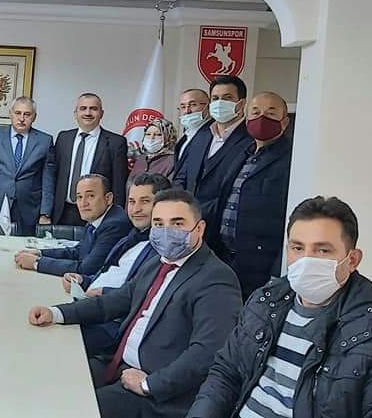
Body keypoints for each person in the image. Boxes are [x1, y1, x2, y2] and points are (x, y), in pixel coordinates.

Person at [187, 196, 372, 418]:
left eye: (322, 250)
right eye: (298, 248)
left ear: (352, 260)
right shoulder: (264, 302)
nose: (306, 260)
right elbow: (226, 374)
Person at [28, 189, 242, 418]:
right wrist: (56, 313)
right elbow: (111, 304)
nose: (166, 232)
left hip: (155, 392)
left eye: (177, 223)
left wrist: (150, 384)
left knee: (71, 410)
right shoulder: (156, 263)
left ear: (199, 229)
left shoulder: (216, 279)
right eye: (158, 224)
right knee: (48, 380)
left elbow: (207, 353)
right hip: (116, 365)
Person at [61, 173, 171, 355]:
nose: (136, 209)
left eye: (144, 201)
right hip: (90, 306)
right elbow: (109, 273)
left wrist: (103, 292)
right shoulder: (129, 238)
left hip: (110, 326)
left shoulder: (163, 249)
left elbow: (144, 296)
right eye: (132, 202)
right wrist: (83, 280)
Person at [214, 91, 294, 299]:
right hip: (224, 257)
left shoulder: (291, 160)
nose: (262, 118)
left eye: (271, 113)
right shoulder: (242, 154)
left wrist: (278, 269)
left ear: (284, 122)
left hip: (259, 266)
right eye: (256, 112)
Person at [173, 75, 253, 234]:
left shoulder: (251, 141)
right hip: (187, 227)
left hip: (223, 230)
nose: (220, 103)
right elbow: (182, 177)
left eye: (227, 98)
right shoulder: (200, 136)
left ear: (241, 103)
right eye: (215, 98)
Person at [13, 174, 130, 276]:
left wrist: (36, 263)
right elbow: (78, 252)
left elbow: (86, 269)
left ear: (108, 198)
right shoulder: (97, 217)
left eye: (90, 196)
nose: (83, 203)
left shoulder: (114, 224)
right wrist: (40, 253)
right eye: (79, 197)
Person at [0, 97, 56, 235]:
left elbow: (48, 180)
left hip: (29, 208)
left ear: (34, 117)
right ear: (10, 114)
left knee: (25, 246)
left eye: (27, 114)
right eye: (18, 113)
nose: (22, 118)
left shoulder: (45, 141)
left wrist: (45, 213)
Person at [52, 92, 130, 226]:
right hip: (62, 212)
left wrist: (115, 219)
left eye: (93, 109)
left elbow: (119, 185)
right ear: (75, 113)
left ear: (101, 113)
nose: (88, 113)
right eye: (83, 108)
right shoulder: (63, 138)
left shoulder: (116, 143)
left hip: (98, 215)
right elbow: (54, 176)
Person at [128, 118, 177, 193]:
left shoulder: (172, 161)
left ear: (168, 137)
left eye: (158, 134)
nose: (152, 138)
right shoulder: (141, 159)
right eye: (148, 134)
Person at [173, 88, 211, 163]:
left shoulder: (215, 134)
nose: (187, 111)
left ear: (208, 106)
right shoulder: (185, 137)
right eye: (183, 107)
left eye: (193, 105)